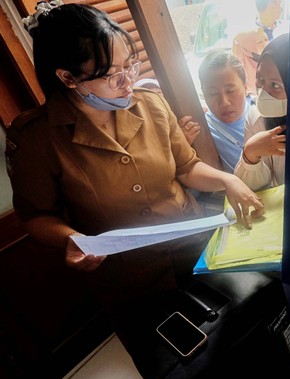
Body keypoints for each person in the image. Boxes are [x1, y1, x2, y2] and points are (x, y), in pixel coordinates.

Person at [7, 1, 264, 352]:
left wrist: (228, 180)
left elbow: (187, 167)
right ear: (68, 78)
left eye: (130, 65)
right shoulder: (37, 138)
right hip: (130, 278)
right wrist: (71, 239)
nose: (128, 82)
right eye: (113, 75)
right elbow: (36, 216)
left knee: (238, 342)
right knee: (171, 365)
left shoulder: (150, 104)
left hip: (197, 249)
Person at [180, 50, 255, 174]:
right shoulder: (201, 130)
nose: (224, 102)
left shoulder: (263, 113)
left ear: (245, 87)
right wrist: (181, 146)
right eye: (213, 94)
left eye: (230, 90)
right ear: (203, 94)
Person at [234, 33, 288, 191]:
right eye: (260, 79)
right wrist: (250, 154)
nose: (263, 92)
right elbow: (256, 190)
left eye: (275, 85)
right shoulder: (255, 117)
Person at [232, 27, 269, 97]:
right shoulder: (240, 65)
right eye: (259, 42)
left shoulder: (270, 59)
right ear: (249, 45)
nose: (265, 44)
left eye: (266, 40)